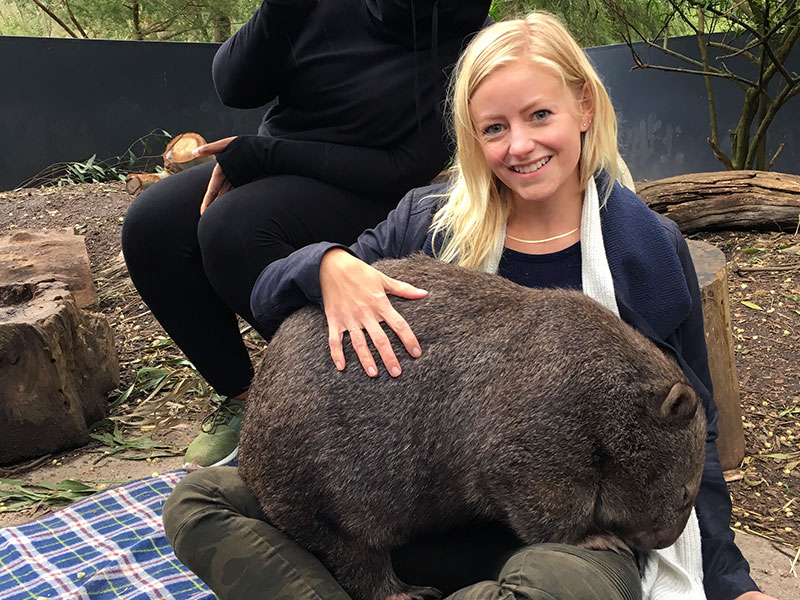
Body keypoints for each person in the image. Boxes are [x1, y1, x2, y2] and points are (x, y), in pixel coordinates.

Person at [163, 11, 777, 600]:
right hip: (406, 511)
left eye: (540, 115)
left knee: (562, 588)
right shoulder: (428, 225)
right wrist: (323, 264)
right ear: (471, 135)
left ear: (584, 107)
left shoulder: (646, 250)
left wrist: (731, 581)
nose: (521, 146)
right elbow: (271, 301)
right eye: (495, 128)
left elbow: (694, 435)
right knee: (197, 505)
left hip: (553, 539)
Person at [121, 0, 491, 468]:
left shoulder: (471, 36)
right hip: (281, 159)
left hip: (376, 191)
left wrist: (266, 155)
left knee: (234, 229)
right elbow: (234, 86)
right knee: (153, 224)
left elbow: (404, 167)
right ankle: (249, 400)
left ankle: (340, 396)